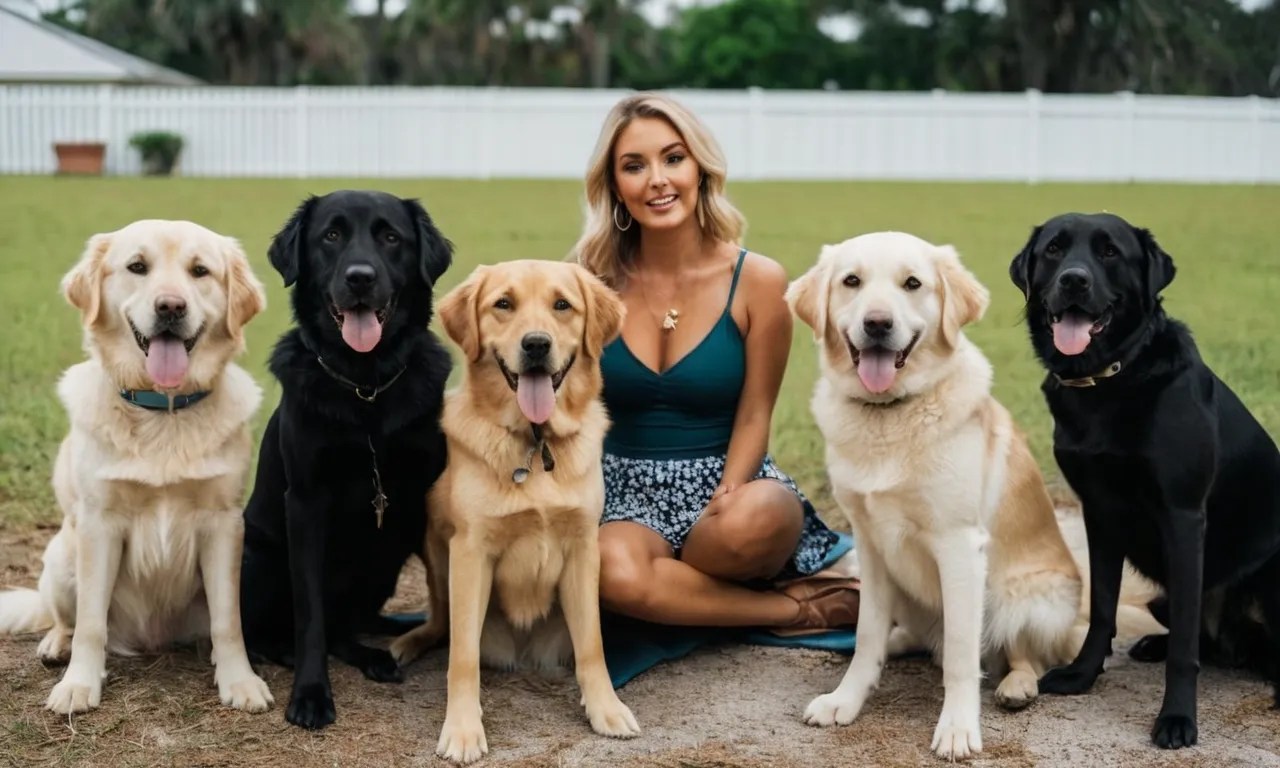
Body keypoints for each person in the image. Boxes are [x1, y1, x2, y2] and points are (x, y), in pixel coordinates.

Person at [569, 92, 859, 631]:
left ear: (700, 168)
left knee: (759, 518)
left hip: (727, 478)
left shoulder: (759, 280)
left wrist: (729, 492)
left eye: (673, 158)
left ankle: (675, 595)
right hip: (621, 491)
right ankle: (802, 608)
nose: (657, 179)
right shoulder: (587, 281)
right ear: (613, 185)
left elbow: (755, 413)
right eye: (634, 166)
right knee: (615, 574)